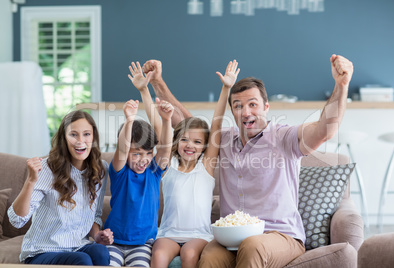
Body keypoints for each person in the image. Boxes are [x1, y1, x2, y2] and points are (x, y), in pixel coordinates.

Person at [142, 54, 354, 267]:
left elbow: (323, 130)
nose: (246, 112)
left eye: (253, 104)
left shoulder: (284, 137)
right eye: (238, 106)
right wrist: (157, 82)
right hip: (229, 238)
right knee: (209, 258)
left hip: (279, 236)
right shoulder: (224, 141)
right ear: (232, 111)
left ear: (266, 107)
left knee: (252, 246)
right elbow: (187, 124)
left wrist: (341, 86)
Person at [144, 60, 239, 268]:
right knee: (159, 257)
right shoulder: (167, 163)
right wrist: (145, 91)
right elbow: (159, 127)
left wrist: (226, 88)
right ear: (177, 140)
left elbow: (216, 123)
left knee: (188, 254)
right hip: (168, 234)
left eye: (197, 142)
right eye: (185, 139)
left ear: (205, 146)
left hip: (198, 235)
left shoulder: (205, 166)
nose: (190, 146)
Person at [8, 110, 114, 266]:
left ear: (93, 138)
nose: (80, 141)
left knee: (100, 251)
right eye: (73, 134)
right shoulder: (47, 168)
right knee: (82, 260)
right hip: (43, 250)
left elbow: (94, 215)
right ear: (64, 138)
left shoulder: (100, 169)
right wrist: (30, 180)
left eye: (86, 134)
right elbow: (17, 220)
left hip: (77, 246)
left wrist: (97, 235)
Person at [104, 66, 174, 268]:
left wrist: (167, 120)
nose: (144, 159)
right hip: (114, 242)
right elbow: (122, 149)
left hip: (142, 244)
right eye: (137, 154)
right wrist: (129, 120)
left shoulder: (154, 172)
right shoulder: (119, 172)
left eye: (148, 153)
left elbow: (165, 148)